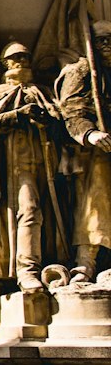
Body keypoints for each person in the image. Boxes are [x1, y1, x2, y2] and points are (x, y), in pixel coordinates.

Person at [0, 40, 64, 291]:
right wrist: (19, 115)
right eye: (15, 57)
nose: (21, 61)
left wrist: (48, 118)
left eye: (25, 57)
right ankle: (27, 270)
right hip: (14, 164)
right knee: (29, 210)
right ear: (5, 63)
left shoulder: (43, 91)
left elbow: (61, 121)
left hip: (47, 162)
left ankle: (51, 264)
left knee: (50, 213)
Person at [56, 21, 111, 283]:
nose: (107, 46)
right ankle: (86, 262)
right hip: (93, 151)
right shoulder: (81, 71)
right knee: (96, 199)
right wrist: (91, 134)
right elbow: (72, 111)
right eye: (101, 41)